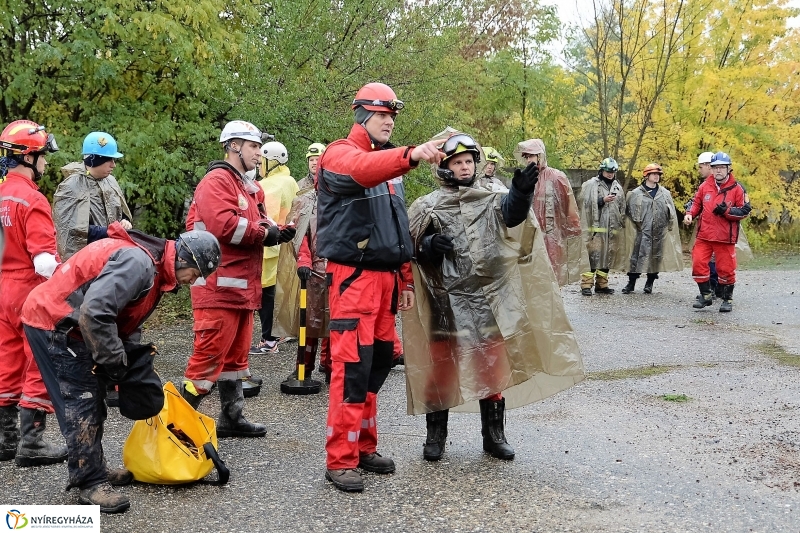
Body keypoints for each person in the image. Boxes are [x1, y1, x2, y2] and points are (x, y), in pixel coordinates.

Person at [404, 132, 585, 462]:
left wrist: (521, 191)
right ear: (445, 167)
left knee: (491, 368)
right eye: (457, 162)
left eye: (468, 161)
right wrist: (428, 246)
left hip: (490, 300)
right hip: (446, 302)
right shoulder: (427, 206)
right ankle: (436, 435)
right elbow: (407, 246)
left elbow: (513, 215)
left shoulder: (493, 197)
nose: (464, 167)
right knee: (442, 368)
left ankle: (494, 435)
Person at [22, 223, 220, 513]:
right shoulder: (138, 264)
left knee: (94, 396)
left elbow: (119, 315)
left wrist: (127, 357)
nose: (194, 282)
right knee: (82, 401)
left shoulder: (151, 265)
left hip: (72, 323)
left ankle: (95, 467)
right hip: (56, 323)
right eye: (196, 274)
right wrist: (115, 362)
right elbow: (96, 313)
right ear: (183, 259)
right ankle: (89, 483)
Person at [316, 82, 443, 492]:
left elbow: (395, 228)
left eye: (392, 115)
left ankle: (363, 448)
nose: (389, 121)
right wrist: (410, 155)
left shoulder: (388, 167)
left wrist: (404, 278)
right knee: (352, 371)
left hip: (385, 282)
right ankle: (340, 459)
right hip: (353, 282)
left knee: (378, 365)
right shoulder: (341, 155)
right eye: (381, 114)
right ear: (362, 115)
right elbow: (360, 169)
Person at [181, 121, 295, 424]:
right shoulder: (217, 181)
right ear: (234, 146)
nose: (259, 154)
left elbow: (260, 221)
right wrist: (264, 234)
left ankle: (232, 416)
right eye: (254, 147)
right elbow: (224, 226)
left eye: (259, 148)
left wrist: (280, 231)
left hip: (240, 288)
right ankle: (173, 427)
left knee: (234, 360)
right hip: (218, 287)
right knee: (207, 361)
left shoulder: (248, 186)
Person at [0, 120, 67, 468]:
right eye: (42, 156)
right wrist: (69, 282)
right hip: (29, 292)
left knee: (6, 361)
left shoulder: (1, 194)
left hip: (2, 289)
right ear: (28, 157)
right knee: (39, 361)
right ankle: (32, 442)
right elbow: (43, 261)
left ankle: (5, 440)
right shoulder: (32, 198)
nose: (46, 163)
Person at [514, 138, 588, 286]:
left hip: (552, 238)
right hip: (530, 237)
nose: (528, 160)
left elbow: (569, 207)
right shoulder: (523, 179)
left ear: (540, 156)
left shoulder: (557, 177)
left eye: (531, 156)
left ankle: (553, 308)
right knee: (530, 276)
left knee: (552, 276)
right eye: (526, 157)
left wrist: (573, 230)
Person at [249, 141, 299, 355]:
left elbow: (263, 218)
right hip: (286, 246)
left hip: (270, 247)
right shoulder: (290, 181)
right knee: (277, 292)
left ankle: (269, 340)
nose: (260, 164)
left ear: (272, 161)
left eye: (263, 160)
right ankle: (278, 333)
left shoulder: (271, 185)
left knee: (265, 294)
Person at [684, 152, 750, 312]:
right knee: (698, 264)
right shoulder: (704, 186)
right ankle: (706, 295)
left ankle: (727, 299)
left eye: (722, 167)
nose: (718, 170)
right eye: (715, 167)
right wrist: (689, 214)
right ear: (711, 169)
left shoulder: (738, 188)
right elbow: (697, 203)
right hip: (704, 235)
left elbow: (745, 211)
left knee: (726, 269)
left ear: (728, 169)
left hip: (724, 238)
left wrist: (727, 211)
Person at [52, 132, 131, 260]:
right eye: (109, 159)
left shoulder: (110, 181)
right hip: (85, 262)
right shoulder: (71, 187)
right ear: (95, 159)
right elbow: (71, 231)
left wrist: (125, 222)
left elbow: (120, 212)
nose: (113, 165)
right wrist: (109, 231)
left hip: (111, 255)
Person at [620, 163, 683, 294]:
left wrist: (669, 227)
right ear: (646, 175)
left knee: (656, 257)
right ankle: (631, 283)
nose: (657, 176)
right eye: (654, 174)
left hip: (659, 232)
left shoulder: (665, 193)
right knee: (636, 257)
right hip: (641, 232)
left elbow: (671, 212)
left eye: (658, 174)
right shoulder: (635, 194)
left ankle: (650, 283)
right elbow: (628, 214)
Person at [579, 157, 627, 295]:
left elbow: (622, 206)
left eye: (612, 171)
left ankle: (602, 284)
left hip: (612, 229)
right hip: (596, 229)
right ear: (601, 170)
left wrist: (621, 223)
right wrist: (601, 200)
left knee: (607, 256)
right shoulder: (592, 184)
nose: (610, 174)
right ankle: (586, 285)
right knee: (593, 256)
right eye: (607, 171)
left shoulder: (617, 187)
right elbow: (585, 204)